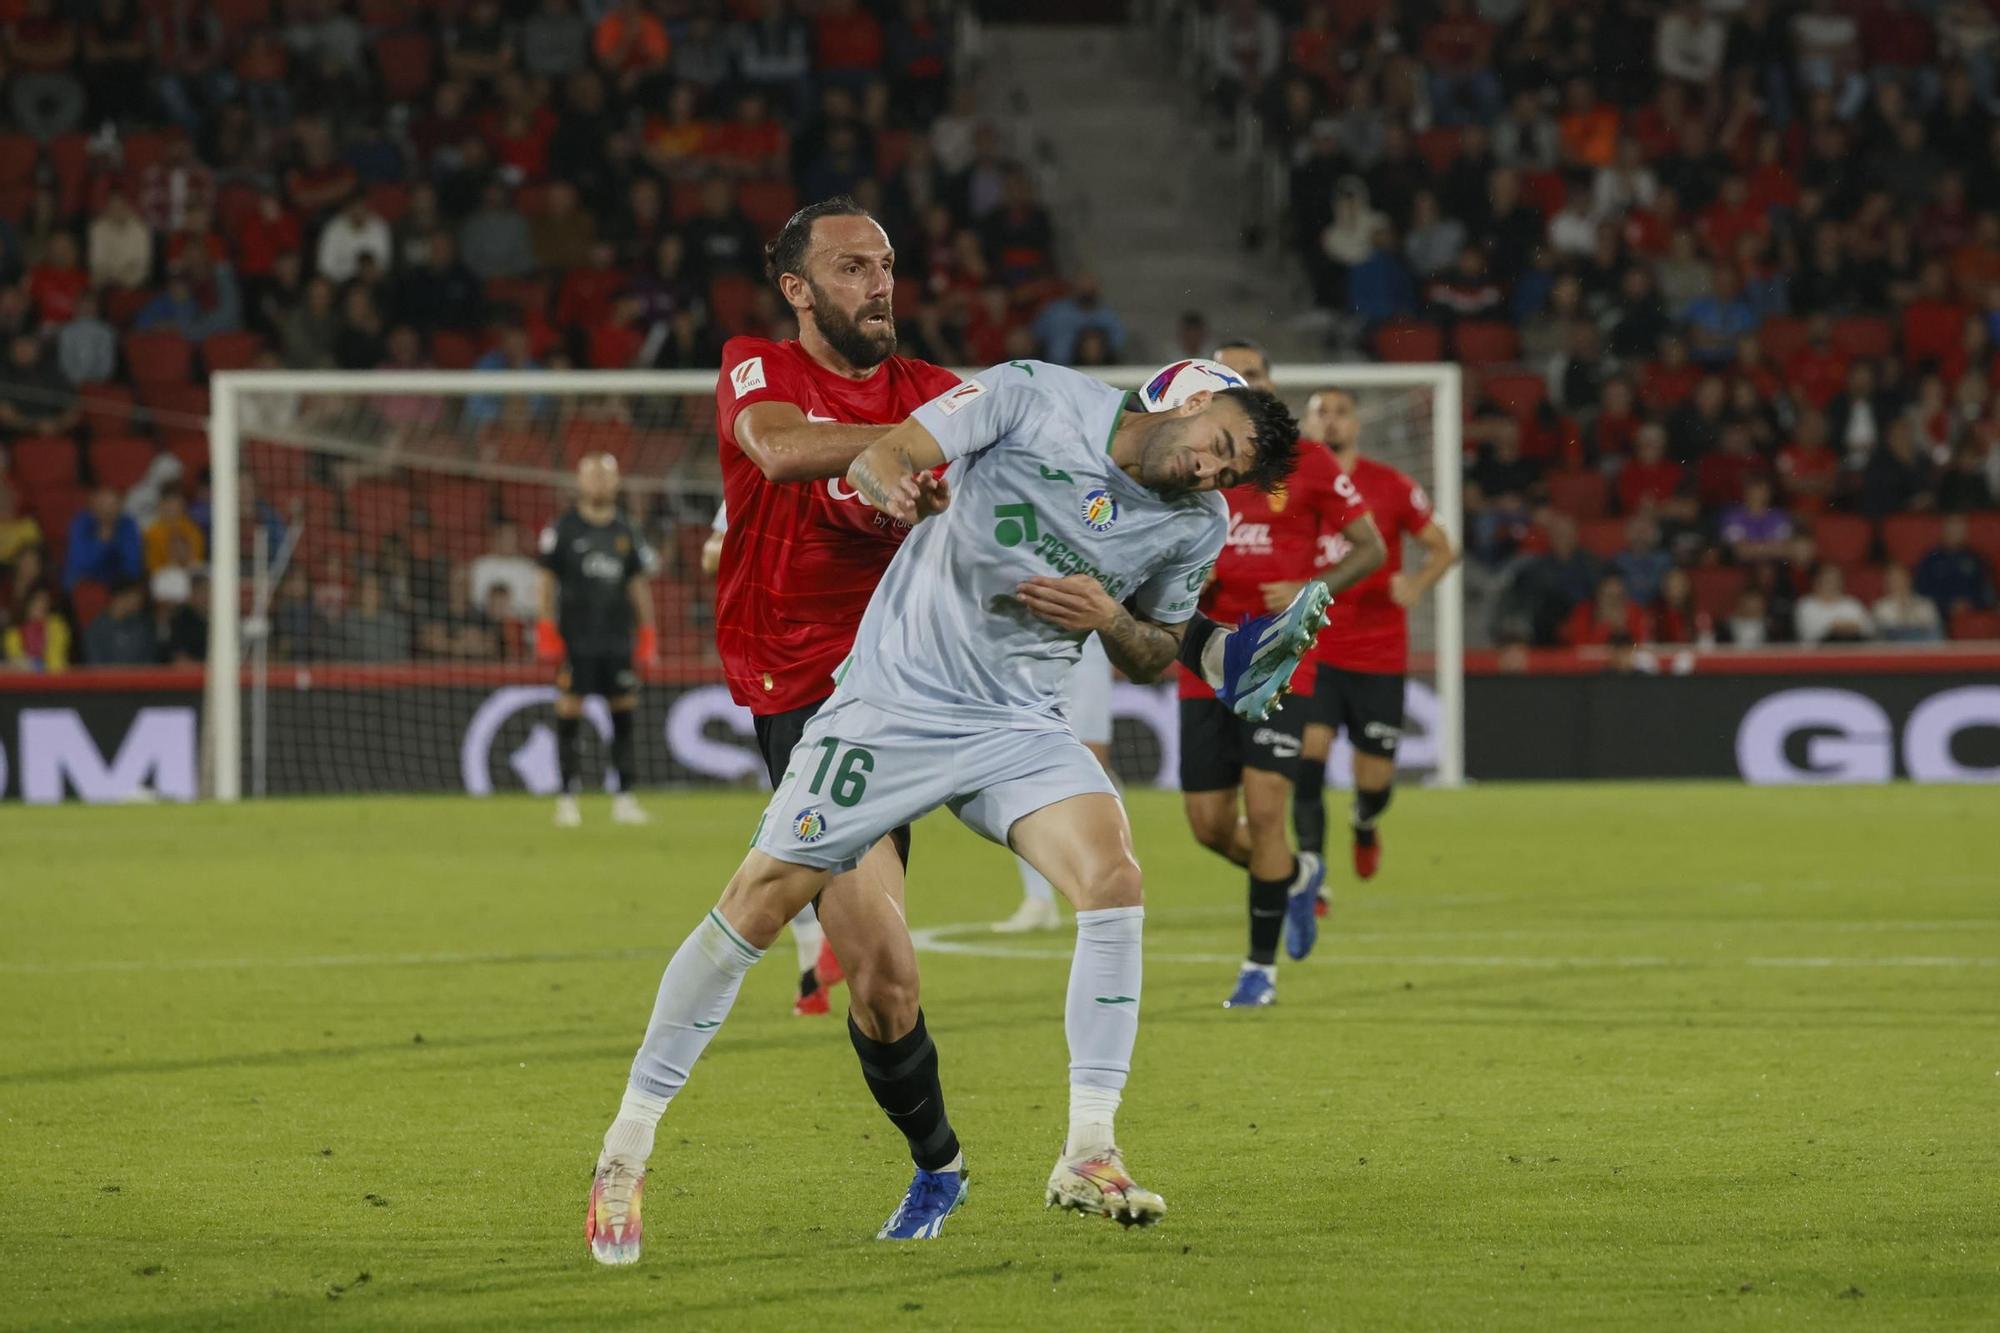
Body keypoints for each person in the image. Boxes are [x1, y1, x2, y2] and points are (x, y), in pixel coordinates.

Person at [585, 354, 1319, 1262]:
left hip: (1016, 723)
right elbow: (886, 453)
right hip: (892, 707)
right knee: (760, 905)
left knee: (1114, 874)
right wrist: (898, 484)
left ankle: (1090, 1148)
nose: (1213, 473)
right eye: (1218, 447)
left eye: (1231, 473)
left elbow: (1153, 649)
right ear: (1195, 399)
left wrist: (1106, 617)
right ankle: (625, 1150)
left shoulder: (1194, 524)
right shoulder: (1031, 393)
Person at [703, 196, 971, 1201]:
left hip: (935, 685)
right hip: (811, 697)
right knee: (884, 979)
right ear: (797, 288)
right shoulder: (756, 364)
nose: (879, 283)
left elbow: (1016, 444)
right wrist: (899, 449)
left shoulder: (933, 386)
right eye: (852, 267)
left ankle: (1094, 1130)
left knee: (1115, 854)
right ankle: (937, 1163)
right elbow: (774, 447)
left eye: (886, 263)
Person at [1164, 354, 1385, 1008]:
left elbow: (1369, 546)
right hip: (1204, 655)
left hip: (1282, 658)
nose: (1238, 382)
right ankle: (1292, 878)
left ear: (1268, 384)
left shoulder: (1309, 462)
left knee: (1264, 811)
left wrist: (1314, 586)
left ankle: (1258, 969)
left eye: (1249, 373)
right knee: (1208, 824)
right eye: (1223, 375)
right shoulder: (1187, 460)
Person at [1290, 386, 1457, 888]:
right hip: (1314, 651)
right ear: (1308, 424)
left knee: (1376, 783)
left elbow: (1442, 549)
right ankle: (1311, 873)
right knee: (1307, 759)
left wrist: (1417, 583)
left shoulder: (1390, 486)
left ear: (1357, 424)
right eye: (1322, 412)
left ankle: (1364, 823)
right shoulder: (1292, 486)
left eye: (1342, 412)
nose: (1332, 421)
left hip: (1378, 655)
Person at [535, 453, 658, 828]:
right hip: (576, 640)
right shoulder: (564, 529)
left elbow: (637, 585)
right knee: (569, 712)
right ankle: (567, 799)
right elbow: (546, 581)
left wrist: (648, 632)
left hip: (616, 639)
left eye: (607, 476)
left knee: (623, 713)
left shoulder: (626, 531)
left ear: (617, 482)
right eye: (593, 475)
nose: (600, 483)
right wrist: (545, 628)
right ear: (579, 482)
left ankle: (624, 797)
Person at [1794, 564, 1875, 645]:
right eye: (1827, 579)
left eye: (1835, 579)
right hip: (1817, 654)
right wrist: (1833, 627)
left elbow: (1869, 628)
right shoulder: (1806, 604)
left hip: (1853, 651)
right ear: (1817, 581)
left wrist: (1850, 627)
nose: (1831, 583)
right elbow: (1807, 633)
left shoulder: (1852, 603)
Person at [1872, 562, 1943, 643]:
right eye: (1894, 579)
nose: (1898, 583)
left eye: (1901, 578)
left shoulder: (1925, 604)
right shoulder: (1880, 607)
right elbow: (1882, 635)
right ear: (1887, 583)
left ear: (1909, 580)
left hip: (1921, 649)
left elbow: (1935, 635)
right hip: (1893, 650)